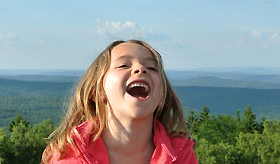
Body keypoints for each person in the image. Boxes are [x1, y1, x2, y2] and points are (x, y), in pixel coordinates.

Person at [42, 40, 197, 164]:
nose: (141, 69)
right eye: (123, 65)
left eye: (151, 67)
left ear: (161, 93)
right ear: (97, 92)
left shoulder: (181, 154)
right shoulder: (70, 155)